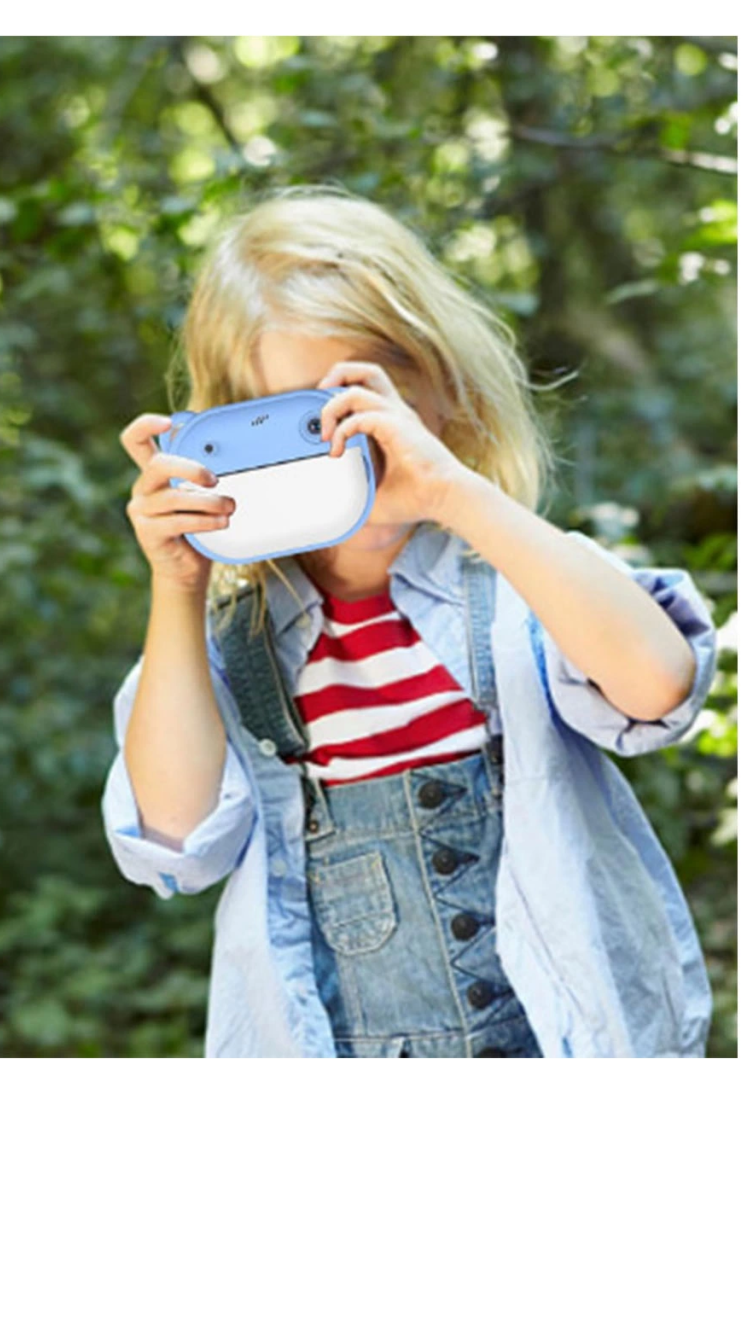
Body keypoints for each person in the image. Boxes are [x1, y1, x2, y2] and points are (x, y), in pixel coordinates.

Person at [101, 184, 718, 1058]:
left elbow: (658, 686)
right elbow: (174, 840)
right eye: (301, 419)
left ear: (446, 391)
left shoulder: (522, 582)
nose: (346, 441)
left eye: (360, 398)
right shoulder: (225, 653)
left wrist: (454, 493)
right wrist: (177, 585)